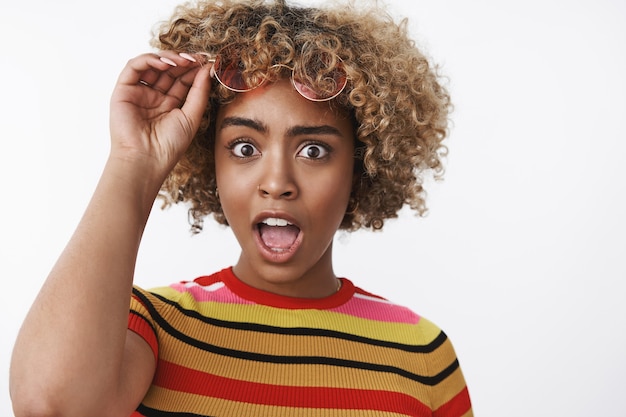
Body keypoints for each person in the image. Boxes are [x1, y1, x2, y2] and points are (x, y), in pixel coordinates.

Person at [9, 0, 473, 416]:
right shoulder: (148, 328)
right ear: (211, 160)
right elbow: (50, 405)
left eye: (313, 151)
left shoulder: (421, 355)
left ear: (362, 165)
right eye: (245, 148)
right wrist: (135, 162)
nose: (276, 183)